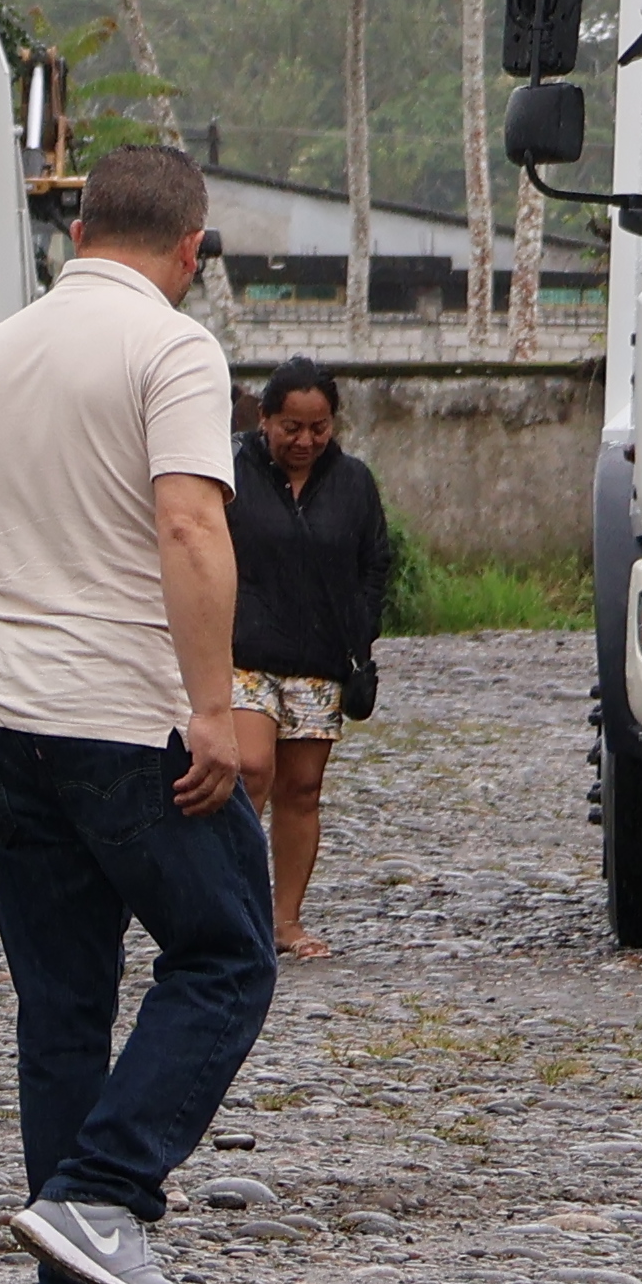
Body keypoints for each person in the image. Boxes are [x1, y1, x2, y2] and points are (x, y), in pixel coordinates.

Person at [0, 144, 274, 1284]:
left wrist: (44, 532)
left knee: (63, 996)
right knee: (227, 954)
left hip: (4, 715)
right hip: (123, 714)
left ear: (76, 231)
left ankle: (77, 1280)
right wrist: (215, 706)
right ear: (191, 247)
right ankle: (103, 1191)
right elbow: (187, 524)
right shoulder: (172, 346)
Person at [222, 358, 394, 962]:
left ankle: (285, 919)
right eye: (291, 427)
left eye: (318, 428)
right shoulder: (228, 470)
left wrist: (360, 630)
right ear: (264, 418)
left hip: (321, 661)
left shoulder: (353, 482)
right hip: (240, 653)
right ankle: (232, 911)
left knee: (302, 790)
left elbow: (375, 563)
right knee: (249, 771)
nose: (304, 441)